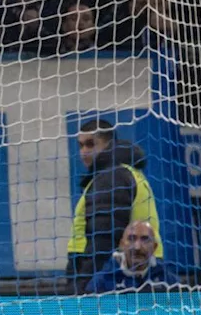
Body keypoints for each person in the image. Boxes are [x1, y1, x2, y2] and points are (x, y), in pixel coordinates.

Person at [66, 119, 162, 291]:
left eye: (90, 144)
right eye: (80, 146)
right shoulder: (124, 172)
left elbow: (103, 239)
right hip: (142, 269)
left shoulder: (112, 177)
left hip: (119, 276)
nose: (84, 152)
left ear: (109, 145)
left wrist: (82, 288)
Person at [84, 220, 179, 293]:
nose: (137, 247)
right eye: (131, 239)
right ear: (121, 245)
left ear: (154, 247)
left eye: (145, 239)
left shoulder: (169, 280)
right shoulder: (101, 281)